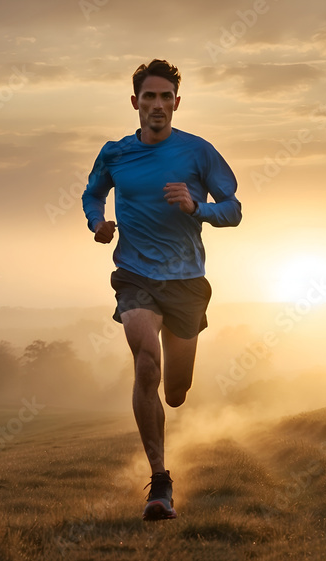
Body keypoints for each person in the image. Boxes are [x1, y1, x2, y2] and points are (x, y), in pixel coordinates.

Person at [82, 59, 242, 521]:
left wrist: (196, 207)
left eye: (164, 97)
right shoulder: (115, 153)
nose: (157, 105)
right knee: (145, 364)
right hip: (134, 275)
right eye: (148, 97)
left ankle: (175, 393)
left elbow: (233, 209)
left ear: (176, 102)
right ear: (135, 103)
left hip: (187, 281)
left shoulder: (198, 152)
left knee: (175, 390)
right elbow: (93, 193)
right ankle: (160, 482)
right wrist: (98, 223)